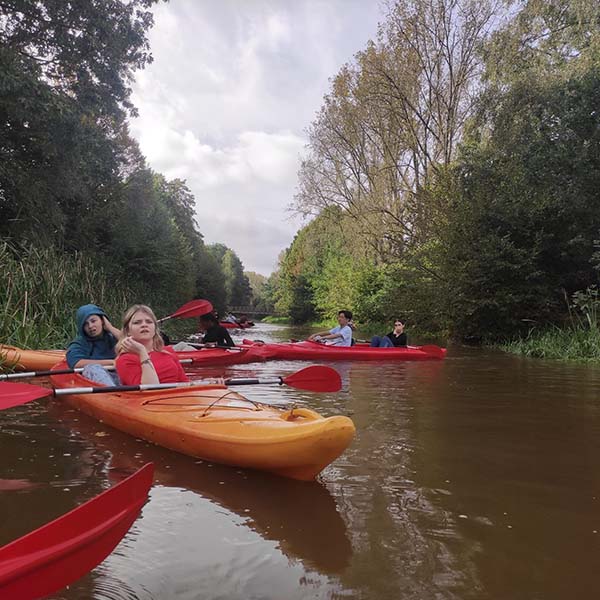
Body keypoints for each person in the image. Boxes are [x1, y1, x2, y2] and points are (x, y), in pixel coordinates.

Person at [115, 304, 188, 385]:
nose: (144, 325)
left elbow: (185, 383)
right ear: (128, 331)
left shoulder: (168, 351)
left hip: (179, 395)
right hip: (152, 396)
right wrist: (142, 353)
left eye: (149, 322)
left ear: (154, 328)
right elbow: (149, 389)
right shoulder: (124, 360)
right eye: (137, 323)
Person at [66, 304, 122, 384]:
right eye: (85, 324)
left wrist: (110, 327)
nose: (90, 326)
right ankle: (113, 393)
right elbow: (76, 363)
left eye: (93, 321)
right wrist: (111, 362)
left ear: (102, 321)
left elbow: (134, 343)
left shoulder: (113, 336)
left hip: (118, 376)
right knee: (91, 368)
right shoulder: (79, 343)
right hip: (97, 380)